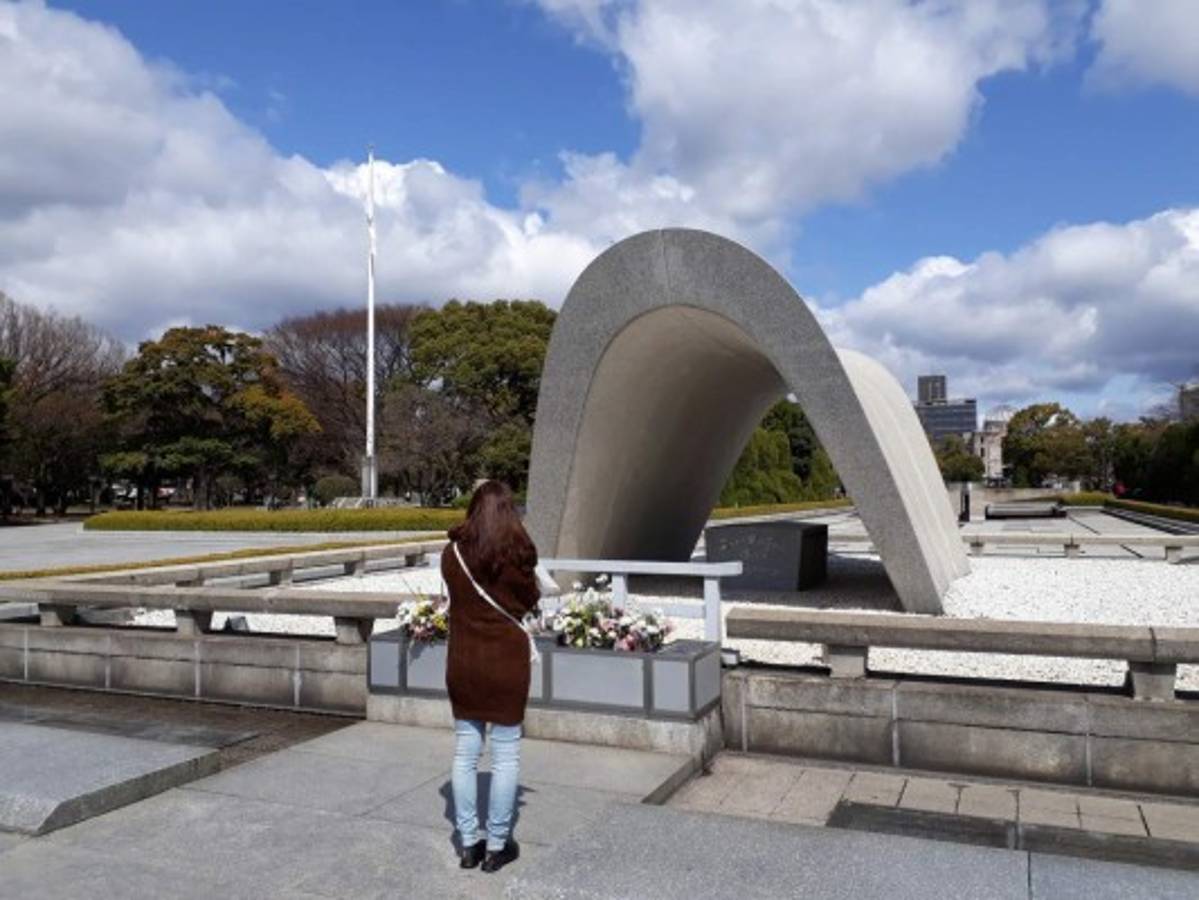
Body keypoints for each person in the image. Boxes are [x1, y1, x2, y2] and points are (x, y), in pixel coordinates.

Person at [441, 480, 540, 873]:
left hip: (463, 661)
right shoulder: (516, 556)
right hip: (505, 663)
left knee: (466, 752)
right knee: (505, 755)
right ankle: (497, 845)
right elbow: (529, 600)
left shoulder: (451, 554)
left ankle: (468, 844)